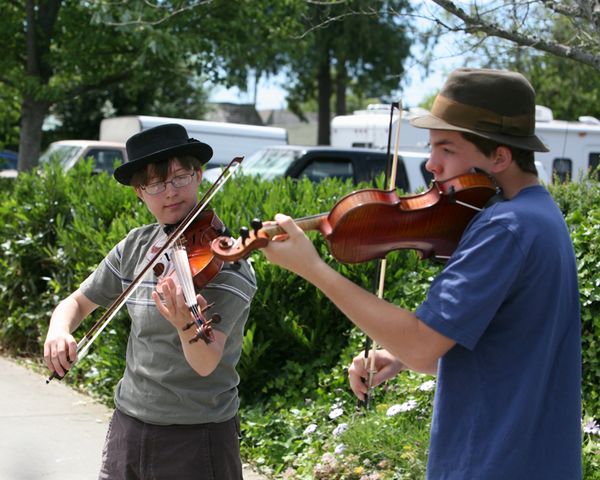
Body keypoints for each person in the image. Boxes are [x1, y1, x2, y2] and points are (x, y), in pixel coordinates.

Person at [261, 69, 581, 478]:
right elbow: (503, 355)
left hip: (491, 464)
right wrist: (398, 357)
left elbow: (421, 344)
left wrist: (315, 269)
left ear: (499, 156)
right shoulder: (539, 215)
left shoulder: (504, 228)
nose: (431, 164)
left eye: (446, 149)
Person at [43, 123, 256, 479]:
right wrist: (58, 330)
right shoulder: (136, 246)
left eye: (179, 178)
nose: (169, 193)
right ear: (140, 193)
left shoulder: (227, 263)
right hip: (129, 426)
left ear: (199, 175)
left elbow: (205, 362)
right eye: (155, 184)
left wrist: (185, 322)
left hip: (197, 436)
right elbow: (77, 302)